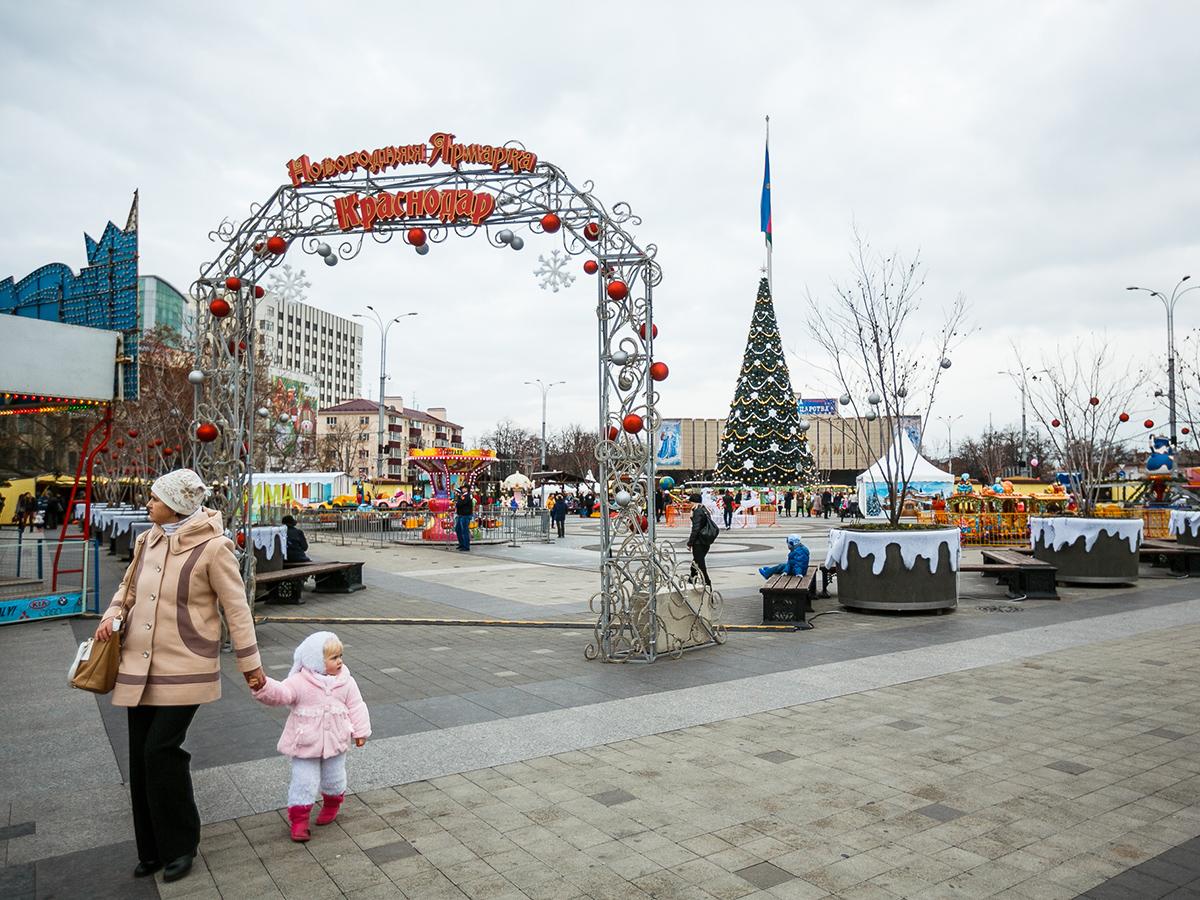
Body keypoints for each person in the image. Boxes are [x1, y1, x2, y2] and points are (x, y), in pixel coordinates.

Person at [93, 469, 263, 884]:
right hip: (137, 663)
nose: (147, 503)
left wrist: (250, 663)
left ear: (178, 505)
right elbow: (127, 589)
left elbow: (236, 608)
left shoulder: (214, 547)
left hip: (186, 665)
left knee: (161, 750)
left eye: (155, 497)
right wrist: (113, 614)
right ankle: (151, 849)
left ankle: (181, 844)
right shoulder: (146, 539)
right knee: (140, 755)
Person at [250, 631, 371, 842]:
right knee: (303, 781)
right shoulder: (300, 681)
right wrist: (264, 686)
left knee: (334, 778)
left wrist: (360, 732)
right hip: (305, 743)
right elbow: (281, 694)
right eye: (333, 658)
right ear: (317, 660)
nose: (340, 661)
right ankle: (299, 821)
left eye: (340, 656)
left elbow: (356, 705)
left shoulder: (346, 682)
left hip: (336, 740)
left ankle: (332, 805)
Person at [686, 494, 718, 587]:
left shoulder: (697, 511)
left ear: (693, 502)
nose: (689, 504)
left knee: (700, 565)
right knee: (695, 564)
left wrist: (690, 543)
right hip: (705, 541)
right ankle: (691, 581)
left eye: (690, 502)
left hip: (699, 542)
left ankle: (708, 584)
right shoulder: (705, 509)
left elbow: (696, 528)